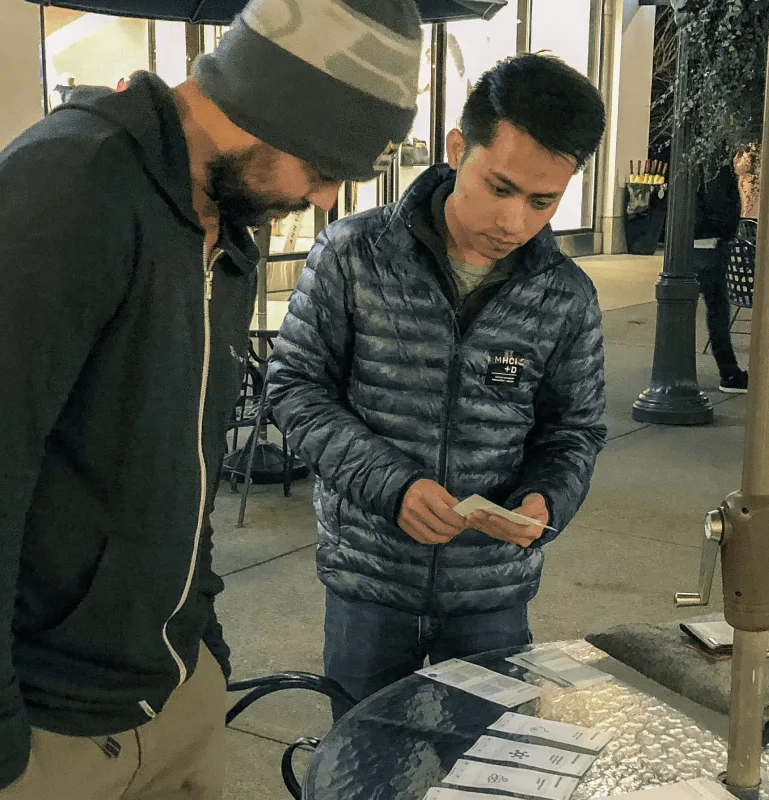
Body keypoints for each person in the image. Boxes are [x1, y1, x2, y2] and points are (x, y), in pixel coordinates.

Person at [0, 1, 424, 798]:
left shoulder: (225, 226)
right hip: (14, 712)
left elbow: (186, 467)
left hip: (168, 692)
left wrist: (204, 643)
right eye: (325, 166)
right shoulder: (62, 188)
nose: (326, 198)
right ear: (273, 104)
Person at [265, 53, 608, 720]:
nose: (513, 221)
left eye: (544, 201)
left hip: (492, 596)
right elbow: (295, 387)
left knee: (488, 777)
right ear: (458, 149)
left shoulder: (565, 296)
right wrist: (390, 485)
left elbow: (575, 429)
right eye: (499, 187)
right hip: (369, 583)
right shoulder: (351, 255)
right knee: (363, 777)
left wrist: (546, 500)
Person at [693, 152, 748, 394]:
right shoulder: (715, 169)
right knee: (717, 310)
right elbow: (720, 209)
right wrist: (727, 232)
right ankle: (728, 371)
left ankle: (726, 370)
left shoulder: (698, 165)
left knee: (709, 308)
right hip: (710, 245)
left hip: (698, 244)